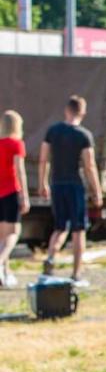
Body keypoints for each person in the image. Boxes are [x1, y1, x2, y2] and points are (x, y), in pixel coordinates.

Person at [38, 95, 102, 284]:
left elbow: (43, 158)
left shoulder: (52, 132)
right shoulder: (84, 135)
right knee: (78, 230)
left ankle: (50, 258)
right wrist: (96, 190)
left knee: (59, 227)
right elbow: (89, 165)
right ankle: (76, 273)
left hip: (57, 184)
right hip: (75, 185)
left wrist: (43, 183)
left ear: (66, 110)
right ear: (82, 113)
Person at [0, 110, 29, 288]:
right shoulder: (16, 144)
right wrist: (24, 195)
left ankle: (6, 272)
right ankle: (0, 262)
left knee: (2, 236)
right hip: (11, 191)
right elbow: (20, 171)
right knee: (14, 233)